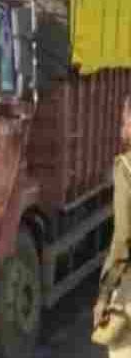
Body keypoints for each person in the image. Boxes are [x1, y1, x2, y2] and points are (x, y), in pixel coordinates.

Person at [96, 96, 131, 355]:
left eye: (125, 120)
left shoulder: (126, 168)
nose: (122, 127)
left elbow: (123, 238)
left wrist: (105, 294)